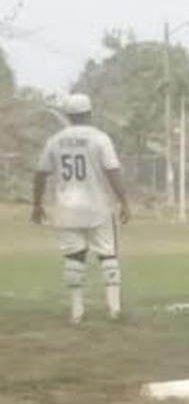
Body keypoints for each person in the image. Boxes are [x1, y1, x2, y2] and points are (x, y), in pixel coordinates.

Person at [31, 93, 130, 324]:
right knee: (108, 256)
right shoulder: (100, 138)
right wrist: (124, 201)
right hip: (97, 206)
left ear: (68, 115)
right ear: (89, 113)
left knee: (74, 258)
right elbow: (112, 171)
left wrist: (37, 204)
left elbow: (40, 174)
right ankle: (114, 309)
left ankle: (77, 312)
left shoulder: (55, 140)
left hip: (66, 208)